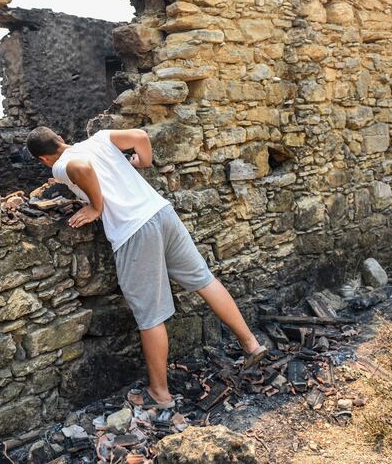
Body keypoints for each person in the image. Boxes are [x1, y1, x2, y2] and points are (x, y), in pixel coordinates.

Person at [26, 126, 266, 409]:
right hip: (161, 212)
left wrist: (96, 207)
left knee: (150, 315)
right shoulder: (100, 139)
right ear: (61, 139)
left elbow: (82, 167)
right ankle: (251, 344)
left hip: (134, 231)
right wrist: (143, 162)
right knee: (204, 280)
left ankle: (160, 394)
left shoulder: (62, 165)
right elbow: (140, 136)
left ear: (43, 159)